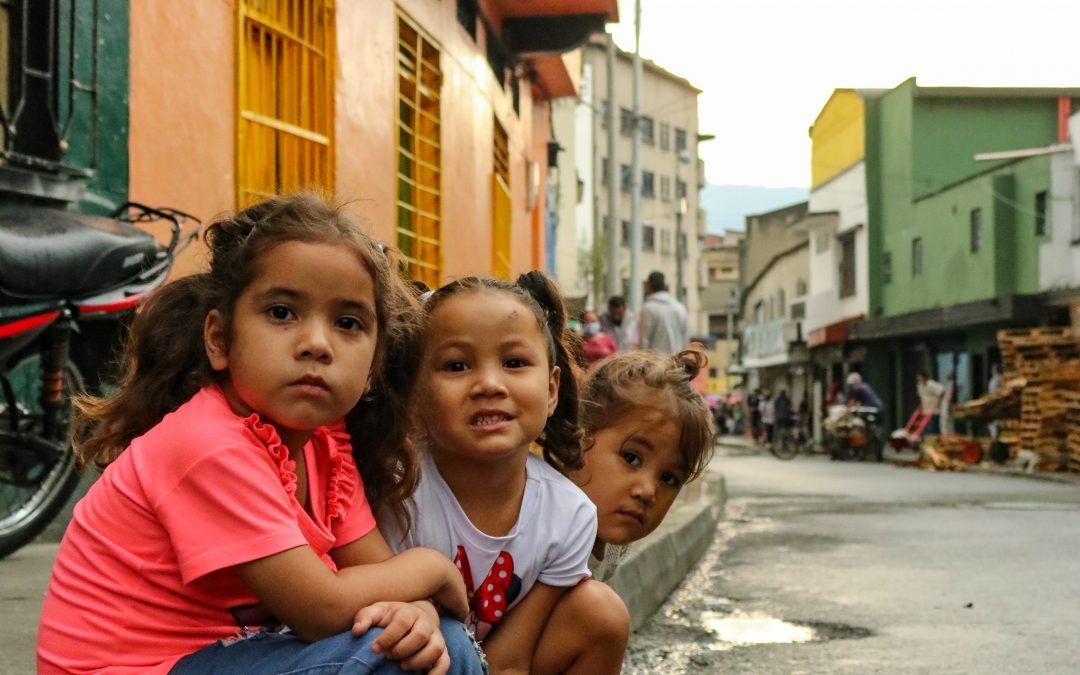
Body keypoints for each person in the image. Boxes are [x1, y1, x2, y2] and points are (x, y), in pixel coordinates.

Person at [36, 195, 483, 675]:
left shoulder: (324, 444)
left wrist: (418, 609)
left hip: (227, 657)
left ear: (373, 369)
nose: (316, 343)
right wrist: (433, 570)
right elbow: (322, 611)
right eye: (281, 313)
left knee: (434, 641)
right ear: (220, 340)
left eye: (347, 323)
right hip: (142, 668)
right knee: (390, 657)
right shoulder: (209, 444)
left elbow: (374, 574)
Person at [387, 273, 625, 674]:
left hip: (487, 663)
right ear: (417, 392)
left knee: (601, 612)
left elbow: (512, 660)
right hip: (401, 657)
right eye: (457, 365)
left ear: (552, 390)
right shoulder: (395, 488)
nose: (489, 384)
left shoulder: (570, 515)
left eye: (514, 363)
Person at [572, 349, 716, 583]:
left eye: (668, 478)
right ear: (579, 437)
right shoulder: (539, 525)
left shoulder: (611, 546)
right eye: (631, 458)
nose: (648, 491)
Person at [638, 271, 688, 354]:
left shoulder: (648, 308)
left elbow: (644, 342)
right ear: (665, 285)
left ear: (648, 285)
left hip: (656, 363)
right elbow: (685, 339)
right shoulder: (680, 307)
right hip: (677, 362)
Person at [916, 371, 945, 435]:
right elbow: (922, 397)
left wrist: (939, 404)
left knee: (932, 429)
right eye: (918, 380)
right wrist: (920, 407)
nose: (920, 381)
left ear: (925, 378)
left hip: (934, 411)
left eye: (921, 379)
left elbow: (942, 392)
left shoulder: (931, 384)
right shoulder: (919, 386)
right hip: (925, 411)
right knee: (925, 429)